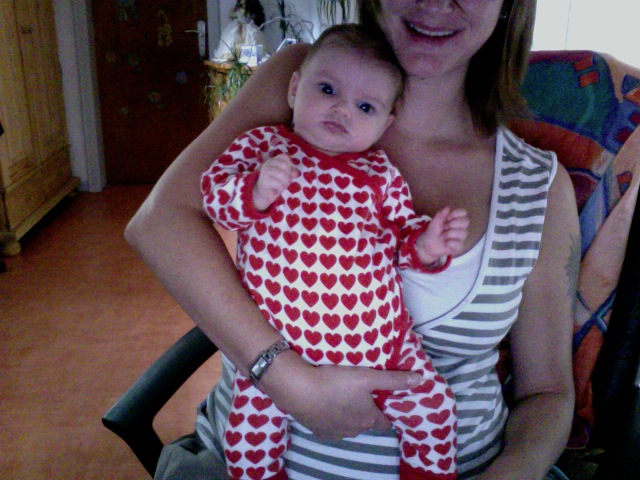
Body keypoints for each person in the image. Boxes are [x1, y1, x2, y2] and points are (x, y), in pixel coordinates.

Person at [126, 0, 578, 479]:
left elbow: (548, 393)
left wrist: (515, 471)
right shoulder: (300, 77)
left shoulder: (539, 186)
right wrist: (290, 383)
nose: (434, 2)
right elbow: (159, 223)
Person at [201, 24, 468, 480]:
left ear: (385, 124)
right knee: (247, 442)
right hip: (279, 353)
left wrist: (427, 245)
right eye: (327, 89)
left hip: (385, 349)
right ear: (294, 88)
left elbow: (400, 237)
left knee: (435, 410)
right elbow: (214, 197)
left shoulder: (380, 173)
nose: (342, 109)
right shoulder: (264, 145)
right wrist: (254, 191)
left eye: (366, 107)